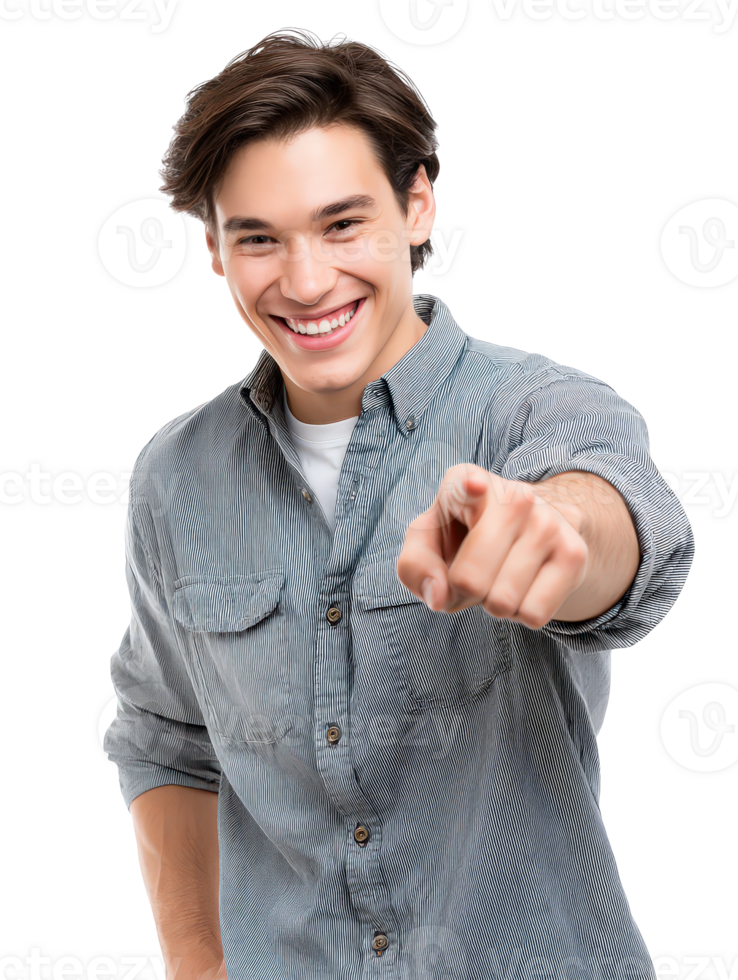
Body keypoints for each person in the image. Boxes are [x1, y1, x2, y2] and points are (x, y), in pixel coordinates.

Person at [103, 26, 696, 980]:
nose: (305, 282)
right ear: (212, 250)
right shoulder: (176, 475)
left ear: (418, 204)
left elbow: (617, 520)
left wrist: (558, 531)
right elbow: (167, 741)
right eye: (258, 238)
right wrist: (200, 969)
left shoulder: (535, 407)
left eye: (343, 225)